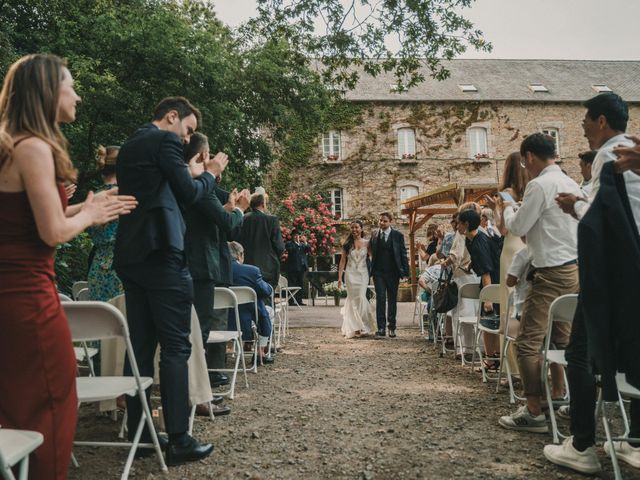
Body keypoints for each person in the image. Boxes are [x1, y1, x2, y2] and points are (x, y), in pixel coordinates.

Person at [0, 54, 135, 480]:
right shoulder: (33, 146)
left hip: (8, 297)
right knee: (51, 404)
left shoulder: (10, 143)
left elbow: (22, 218)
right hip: (29, 300)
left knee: (14, 409)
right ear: (46, 92)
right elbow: (53, 232)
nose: (77, 94)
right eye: (70, 85)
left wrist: (85, 205)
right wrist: (89, 216)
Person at [114, 96, 225, 465]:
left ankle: (142, 431)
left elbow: (160, 186)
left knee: (141, 347)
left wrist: (190, 173)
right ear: (172, 117)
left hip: (133, 256)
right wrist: (210, 172)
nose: (185, 139)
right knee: (177, 347)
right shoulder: (164, 140)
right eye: (187, 130)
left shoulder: (132, 144)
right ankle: (179, 437)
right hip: (163, 256)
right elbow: (189, 194)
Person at [544, 95, 640, 474]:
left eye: (585, 120)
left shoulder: (609, 154)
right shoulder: (633, 150)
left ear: (601, 121)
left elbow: (604, 222)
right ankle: (635, 442)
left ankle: (581, 444)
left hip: (616, 273)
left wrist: (575, 207)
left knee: (579, 351)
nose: (582, 128)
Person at [496, 133, 581, 433]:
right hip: (574, 270)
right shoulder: (572, 183)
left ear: (530, 157)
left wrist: (508, 206)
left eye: (524, 161)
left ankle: (533, 411)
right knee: (565, 340)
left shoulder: (539, 184)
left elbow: (518, 227)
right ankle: (567, 398)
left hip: (549, 274)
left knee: (528, 343)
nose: (524, 167)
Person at [183, 132, 249, 417]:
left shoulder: (183, 182)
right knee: (199, 333)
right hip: (199, 265)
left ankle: (192, 394)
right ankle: (197, 397)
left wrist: (228, 206)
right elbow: (227, 224)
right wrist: (240, 210)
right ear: (201, 156)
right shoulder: (199, 185)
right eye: (208, 155)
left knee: (189, 333)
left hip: (186, 263)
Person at [457, 209, 501, 366]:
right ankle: (495, 357)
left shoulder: (478, 241)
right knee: (492, 322)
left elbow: (486, 271)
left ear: (466, 224)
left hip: (493, 285)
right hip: (492, 284)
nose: (457, 227)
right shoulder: (472, 239)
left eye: (459, 223)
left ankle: (491, 360)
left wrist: (488, 298)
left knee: (488, 323)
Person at [87, 145, 124, 302]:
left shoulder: (93, 197)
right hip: (121, 268)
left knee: (101, 322)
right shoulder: (127, 197)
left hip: (97, 270)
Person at [227, 241, 274, 363]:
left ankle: (220, 352)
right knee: (269, 311)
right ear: (240, 255)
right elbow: (266, 291)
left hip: (221, 321)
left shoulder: (215, 271)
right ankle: (260, 353)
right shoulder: (251, 271)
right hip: (246, 319)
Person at [370, 212, 409, 338]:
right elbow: (371, 252)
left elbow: (403, 253)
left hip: (393, 273)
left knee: (392, 300)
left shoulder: (397, 235)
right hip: (378, 272)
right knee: (380, 299)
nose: (381, 223)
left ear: (390, 221)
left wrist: (405, 272)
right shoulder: (374, 234)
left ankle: (392, 327)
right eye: (380, 220)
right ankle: (381, 328)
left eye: (384, 221)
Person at [337, 220, 376, 338]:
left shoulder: (368, 243)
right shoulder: (347, 244)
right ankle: (356, 328)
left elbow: (372, 258)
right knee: (353, 300)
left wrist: (375, 273)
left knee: (361, 297)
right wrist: (339, 277)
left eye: (356, 227)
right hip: (350, 274)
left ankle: (363, 325)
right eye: (352, 228)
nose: (354, 230)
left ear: (361, 229)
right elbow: (342, 261)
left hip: (363, 274)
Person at [239, 193, 285, 290]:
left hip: (245, 267)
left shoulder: (242, 219)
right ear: (263, 204)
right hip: (267, 268)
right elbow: (279, 246)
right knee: (266, 299)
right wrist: (274, 258)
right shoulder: (271, 220)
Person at [283, 229, 311, 306]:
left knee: (300, 284)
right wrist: (298, 244)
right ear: (292, 236)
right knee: (292, 284)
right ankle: (291, 301)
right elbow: (291, 250)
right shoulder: (289, 244)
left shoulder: (302, 244)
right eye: (295, 235)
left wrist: (305, 242)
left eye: (298, 235)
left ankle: (299, 300)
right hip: (293, 267)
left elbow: (309, 249)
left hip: (301, 267)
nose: (297, 237)